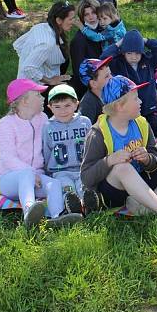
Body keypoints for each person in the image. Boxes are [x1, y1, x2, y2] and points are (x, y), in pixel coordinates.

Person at [81, 76, 157, 221]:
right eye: (135, 99)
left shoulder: (141, 123)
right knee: (122, 168)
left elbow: (155, 159)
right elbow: (86, 177)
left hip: (141, 179)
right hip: (114, 191)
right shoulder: (98, 133)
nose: (141, 101)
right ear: (119, 106)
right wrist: (109, 160)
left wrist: (147, 158)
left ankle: (142, 205)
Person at [0, 79, 79, 228]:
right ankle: (29, 211)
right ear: (25, 101)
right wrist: (32, 173)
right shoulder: (6, 124)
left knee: (55, 184)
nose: (43, 98)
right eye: (38, 95)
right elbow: (7, 157)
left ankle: (56, 216)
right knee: (26, 173)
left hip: (37, 178)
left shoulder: (42, 118)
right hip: (10, 179)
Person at [42, 84, 99, 215]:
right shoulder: (48, 127)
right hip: (60, 170)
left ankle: (88, 203)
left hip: (82, 168)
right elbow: (46, 150)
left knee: (83, 186)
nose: (63, 111)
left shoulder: (85, 122)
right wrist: (46, 170)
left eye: (67, 105)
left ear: (76, 104)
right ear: (50, 108)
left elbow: (91, 144)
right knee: (67, 188)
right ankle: (73, 205)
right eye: (57, 107)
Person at [101, 29, 157, 134]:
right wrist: (119, 44)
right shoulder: (118, 64)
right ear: (123, 53)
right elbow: (103, 58)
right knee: (135, 134)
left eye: (137, 53)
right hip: (129, 111)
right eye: (129, 53)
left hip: (149, 109)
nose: (133, 57)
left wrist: (145, 40)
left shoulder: (148, 60)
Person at [13, 0, 76, 86]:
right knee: (77, 86)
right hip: (34, 89)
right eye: (71, 19)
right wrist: (49, 80)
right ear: (59, 20)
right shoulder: (47, 43)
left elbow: (20, 45)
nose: (74, 21)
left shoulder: (42, 26)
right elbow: (28, 68)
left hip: (46, 76)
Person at [70, 0, 103, 98]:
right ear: (82, 18)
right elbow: (79, 72)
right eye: (86, 14)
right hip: (90, 89)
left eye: (93, 12)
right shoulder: (79, 40)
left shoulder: (105, 30)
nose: (91, 17)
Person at [78, 57, 113, 123]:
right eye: (107, 76)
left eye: (110, 74)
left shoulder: (109, 95)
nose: (112, 78)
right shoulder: (88, 103)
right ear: (93, 83)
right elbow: (85, 129)